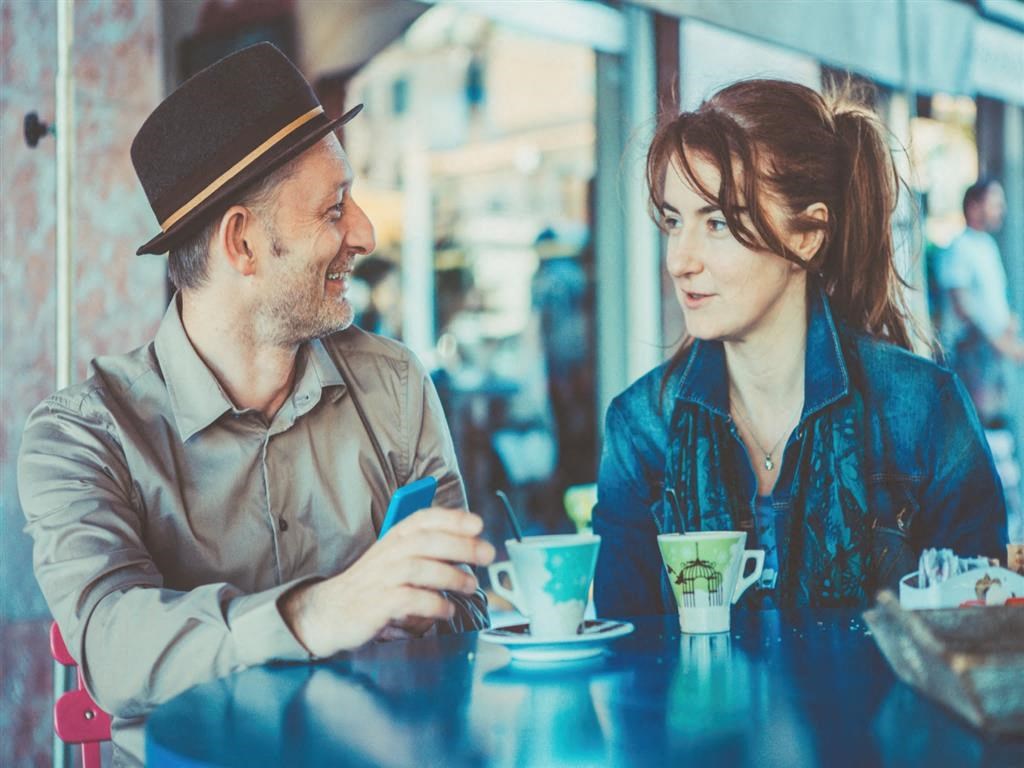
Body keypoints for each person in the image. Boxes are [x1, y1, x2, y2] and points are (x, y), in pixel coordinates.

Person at [17, 43, 493, 766]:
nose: (364, 233)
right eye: (334, 209)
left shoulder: (394, 384)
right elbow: (111, 644)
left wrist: (431, 612)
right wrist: (320, 612)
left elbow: (468, 608)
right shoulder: (82, 436)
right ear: (241, 242)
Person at [593, 80, 1007, 616]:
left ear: (807, 235)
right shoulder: (643, 427)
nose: (680, 260)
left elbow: (982, 646)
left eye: (718, 223)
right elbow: (623, 665)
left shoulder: (922, 412)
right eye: (675, 222)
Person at [935, 178, 1024, 426]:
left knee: (998, 425)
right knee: (977, 425)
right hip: (971, 354)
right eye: (995, 203)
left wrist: (1008, 324)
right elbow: (962, 306)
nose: (1001, 210)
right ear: (974, 207)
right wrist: (1001, 343)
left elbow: (993, 298)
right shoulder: (959, 247)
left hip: (993, 356)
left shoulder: (987, 244)